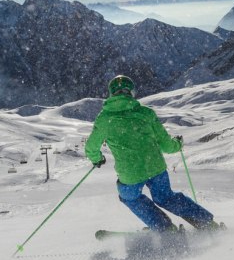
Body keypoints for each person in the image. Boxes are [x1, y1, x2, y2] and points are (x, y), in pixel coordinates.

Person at [86, 75, 223, 233]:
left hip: (130, 173)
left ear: (111, 93)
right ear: (131, 92)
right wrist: (177, 144)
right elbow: (166, 145)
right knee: (165, 197)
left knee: (130, 198)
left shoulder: (104, 119)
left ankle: (163, 227)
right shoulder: (146, 113)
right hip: (155, 167)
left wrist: (97, 159)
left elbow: (91, 147)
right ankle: (205, 222)